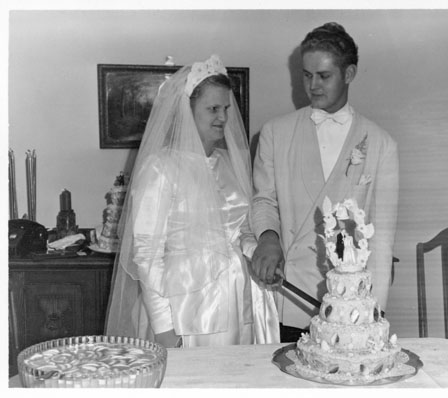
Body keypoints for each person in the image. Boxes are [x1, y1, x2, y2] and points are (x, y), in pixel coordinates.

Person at [105, 55, 279, 347]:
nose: (223, 117)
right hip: (186, 309)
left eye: (225, 108)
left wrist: (260, 256)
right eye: (213, 109)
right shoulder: (160, 167)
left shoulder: (229, 163)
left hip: (238, 301)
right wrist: (163, 326)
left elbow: (238, 232)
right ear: (187, 111)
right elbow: (147, 255)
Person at [251, 22, 399, 341]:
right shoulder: (274, 134)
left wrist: (374, 311)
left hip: (351, 308)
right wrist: (268, 237)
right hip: (288, 299)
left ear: (349, 74)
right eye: (306, 75)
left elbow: (382, 238)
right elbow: (264, 200)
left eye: (324, 76)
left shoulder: (381, 144)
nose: (313, 85)